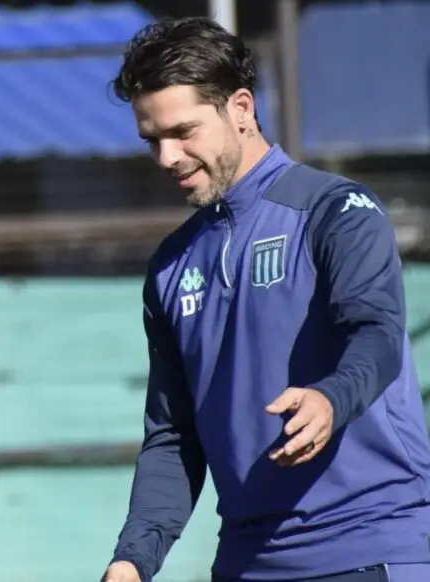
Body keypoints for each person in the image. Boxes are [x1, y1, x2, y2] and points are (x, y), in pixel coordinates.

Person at [101, 16, 430, 582]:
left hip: (369, 546)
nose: (167, 157)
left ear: (242, 108)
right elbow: (173, 435)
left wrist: (330, 399)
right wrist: (132, 559)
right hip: (246, 563)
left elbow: (376, 338)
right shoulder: (170, 267)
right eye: (152, 140)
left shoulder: (336, 212)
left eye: (184, 132)